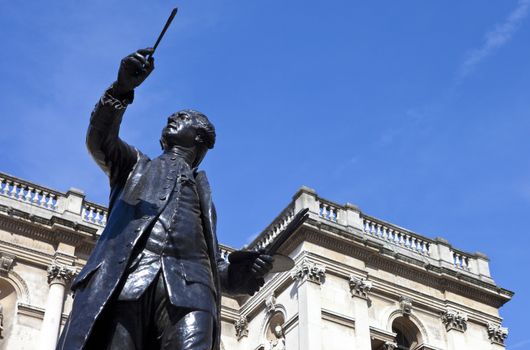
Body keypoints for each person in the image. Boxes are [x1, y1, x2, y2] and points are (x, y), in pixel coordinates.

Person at [57, 48, 273, 350]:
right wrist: (122, 89)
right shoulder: (134, 166)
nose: (172, 118)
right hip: (129, 280)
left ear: (199, 137)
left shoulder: (204, 196)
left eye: (182, 118)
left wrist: (239, 273)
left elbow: (207, 261)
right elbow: (99, 140)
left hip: (193, 291)